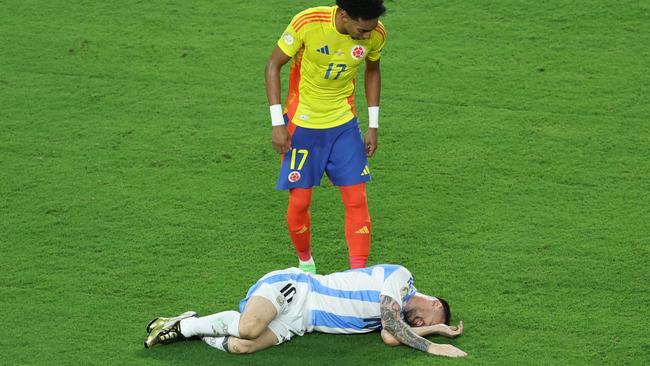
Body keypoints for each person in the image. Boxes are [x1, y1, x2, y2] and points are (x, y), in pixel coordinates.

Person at [265, 0, 388, 273]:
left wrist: (373, 125)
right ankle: (306, 264)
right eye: (362, 29)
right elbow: (273, 65)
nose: (367, 35)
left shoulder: (376, 33)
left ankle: (358, 275)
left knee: (357, 199)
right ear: (344, 15)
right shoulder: (308, 23)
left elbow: (372, 70)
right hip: (303, 126)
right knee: (300, 202)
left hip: (344, 126)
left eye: (370, 29)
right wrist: (277, 123)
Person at [144, 264, 467, 357]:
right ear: (434, 302)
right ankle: (182, 327)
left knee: (240, 346)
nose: (420, 323)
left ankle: (193, 326)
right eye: (428, 318)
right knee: (248, 328)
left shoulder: (400, 320)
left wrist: (436, 329)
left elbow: (390, 336)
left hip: (302, 321)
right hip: (296, 289)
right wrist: (434, 347)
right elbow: (391, 324)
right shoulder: (401, 278)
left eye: (424, 325)